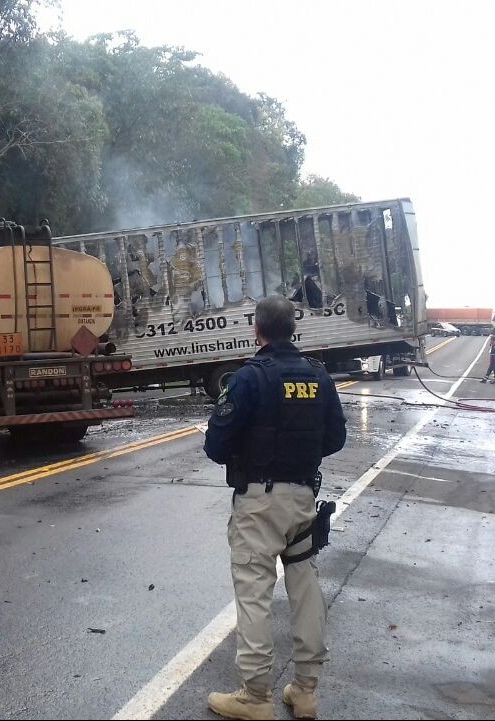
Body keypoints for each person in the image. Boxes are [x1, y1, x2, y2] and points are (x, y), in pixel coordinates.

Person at [204, 295, 347, 720]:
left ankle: (255, 696)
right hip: (304, 499)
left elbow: (216, 444)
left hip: (258, 503)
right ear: (294, 328)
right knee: (305, 591)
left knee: (254, 595)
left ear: (257, 330)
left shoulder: (249, 378)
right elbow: (335, 439)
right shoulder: (318, 377)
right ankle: (305, 692)